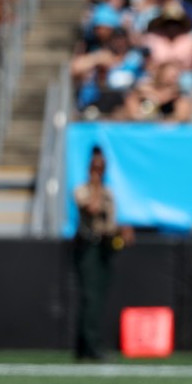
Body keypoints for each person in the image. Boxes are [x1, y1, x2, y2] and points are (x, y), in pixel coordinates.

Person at [72, 146, 131, 361]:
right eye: (96, 167)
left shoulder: (109, 193)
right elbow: (93, 208)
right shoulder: (82, 190)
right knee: (91, 297)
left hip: (105, 248)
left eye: (102, 167)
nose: (99, 170)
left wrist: (123, 231)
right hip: (88, 247)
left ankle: (86, 345)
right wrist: (95, 184)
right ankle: (89, 346)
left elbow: (109, 223)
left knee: (98, 297)